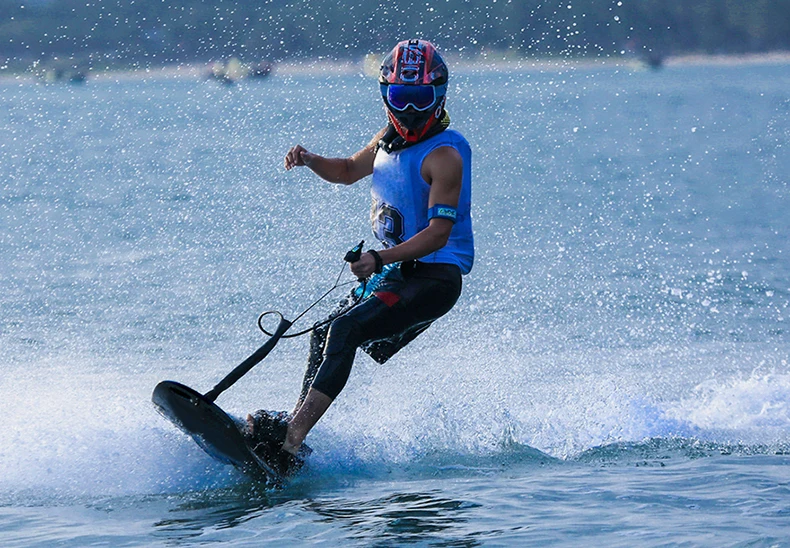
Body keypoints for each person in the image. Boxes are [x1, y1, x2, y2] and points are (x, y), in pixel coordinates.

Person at [245, 39, 474, 477]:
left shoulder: (445, 155)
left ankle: (289, 443)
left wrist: (379, 257)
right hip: (396, 275)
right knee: (324, 333)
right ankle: (296, 436)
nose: (408, 109)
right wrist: (311, 159)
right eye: (399, 97)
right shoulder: (387, 141)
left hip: (433, 280)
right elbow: (348, 171)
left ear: (438, 97)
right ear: (385, 95)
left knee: (346, 329)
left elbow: (438, 234)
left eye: (419, 98)